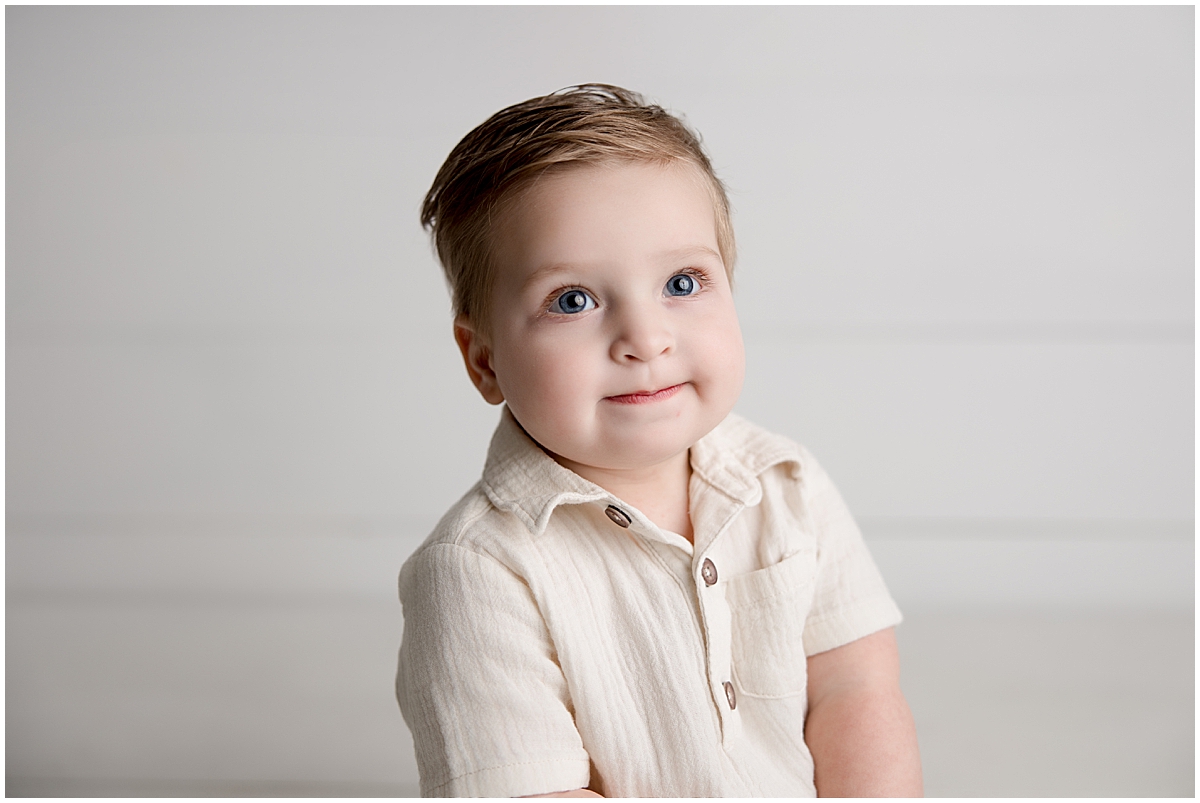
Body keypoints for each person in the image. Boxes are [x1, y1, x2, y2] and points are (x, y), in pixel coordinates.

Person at [395, 84, 922, 798]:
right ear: (484, 359)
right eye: (573, 300)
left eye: (682, 281)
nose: (645, 338)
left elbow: (854, 690)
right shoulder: (479, 570)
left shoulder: (785, 482)